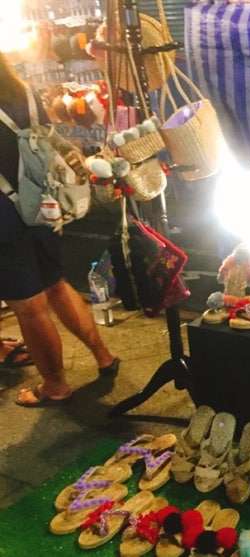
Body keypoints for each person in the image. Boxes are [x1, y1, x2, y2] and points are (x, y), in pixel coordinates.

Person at [0, 51, 119, 407]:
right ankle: (103, 356)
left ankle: (55, 386)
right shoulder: (21, 92)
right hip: (44, 205)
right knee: (56, 284)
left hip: (5, 218)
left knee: (29, 307)